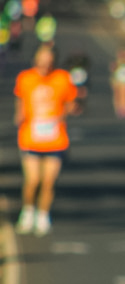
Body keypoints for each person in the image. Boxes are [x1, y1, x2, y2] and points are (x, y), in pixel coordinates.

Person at [14, 43, 78, 236]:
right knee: (33, 180)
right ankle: (28, 211)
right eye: (41, 61)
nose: (44, 65)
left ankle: (43, 215)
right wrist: (19, 115)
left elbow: (72, 102)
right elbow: (20, 98)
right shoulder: (25, 78)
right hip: (30, 137)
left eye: (48, 62)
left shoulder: (62, 78)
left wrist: (64, 113)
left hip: (55, 138)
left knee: (48, 181)